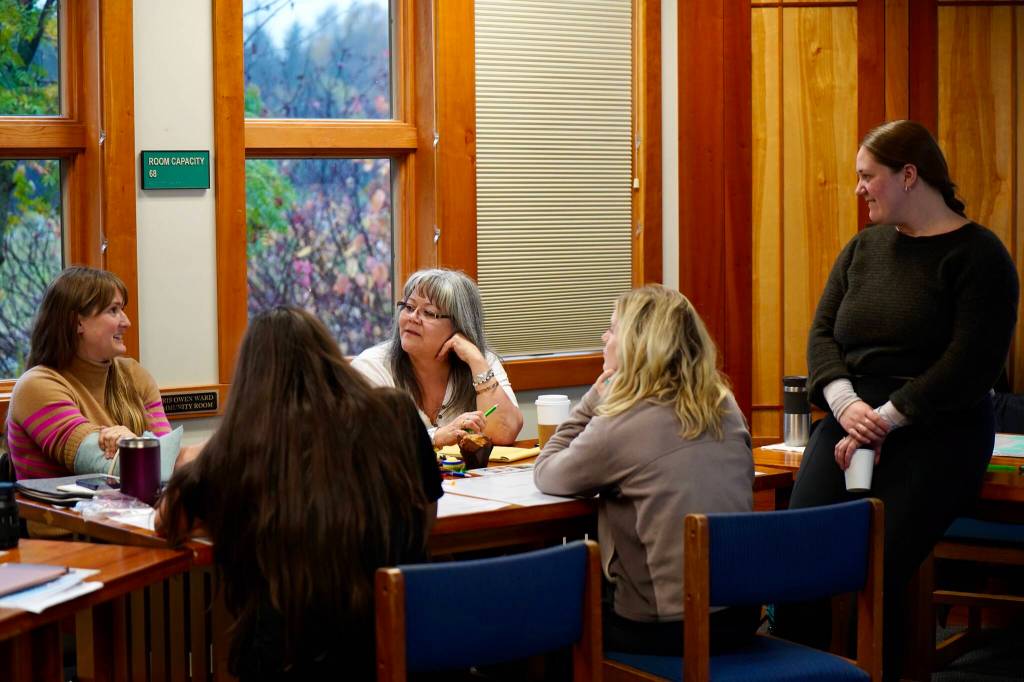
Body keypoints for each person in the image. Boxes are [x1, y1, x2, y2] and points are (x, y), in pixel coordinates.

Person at [773, 120, 1019, 680]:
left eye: (868, 176)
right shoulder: (863, 248)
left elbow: (970, 364)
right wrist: (846, 407)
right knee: (792, 557)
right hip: (850, 417)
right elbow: (822, 336)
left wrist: (883, 421)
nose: (858, 188)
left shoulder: (980, 256)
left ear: (909, 175)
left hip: (938, 429)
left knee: (873, 569)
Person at [156, 306, 442, 681]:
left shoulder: (243, 447)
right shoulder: (397, 412)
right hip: (397, 637)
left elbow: (167, 521)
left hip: (286, 654)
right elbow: (427, 515)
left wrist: (208, 453)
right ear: (328, 357)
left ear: (251, 378)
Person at [533, 285, 758, 656]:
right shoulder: (724, 403)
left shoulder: (624, 420)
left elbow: (547, 472)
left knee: (546, 612)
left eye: (612, 329)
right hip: (739, 615)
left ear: (635, 345)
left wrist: (594, 398)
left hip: (667, 627)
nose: (604, 338)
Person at [6, 266, 171, 480]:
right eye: (113, 310)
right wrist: (140, 446)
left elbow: (170, 460)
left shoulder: (134, 375)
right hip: (68, 504)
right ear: (77, 322)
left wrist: (134, 444)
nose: (126, 322)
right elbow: (103, 465)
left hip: (130, 502)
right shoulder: (35, 386)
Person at [352, 268, 523, 447]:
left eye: (428, 312)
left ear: (459, 325)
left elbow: (502, 434)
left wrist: (476, 361)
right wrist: (436, 437)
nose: (413, 318)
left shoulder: (479, 360)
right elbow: (368, 443)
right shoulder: (371, 366)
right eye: (409, 307)